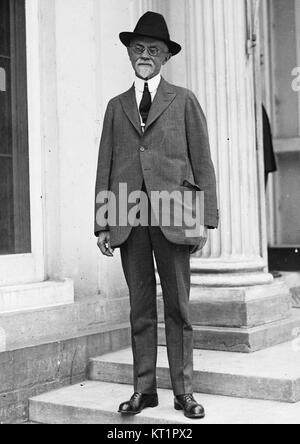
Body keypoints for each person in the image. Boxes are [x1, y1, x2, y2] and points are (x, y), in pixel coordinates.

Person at [94, 11, 219, 419]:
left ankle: (184, 392)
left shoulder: (183, 100)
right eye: (138, 49)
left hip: (176, 213)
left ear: (166, 57)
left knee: (179, 307)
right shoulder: (116, 107)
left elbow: (202, 161)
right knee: (140, 308)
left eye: (153, 50)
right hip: (129, 214)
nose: (144, 55)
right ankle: (144, 390)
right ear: (130, 54)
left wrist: (207, 218)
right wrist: (102, 222)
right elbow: (105, 166)